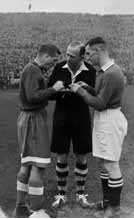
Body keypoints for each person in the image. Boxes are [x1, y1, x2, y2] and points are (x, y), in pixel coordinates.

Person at [70, 37, 128, 218]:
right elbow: (101, 94)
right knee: (104, 163)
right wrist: (87, 87)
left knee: (111, 164)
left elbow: (101, 103)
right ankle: (107, 202)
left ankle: (114, 208)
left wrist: (80, 92)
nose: (86, 58)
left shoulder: (112, 73)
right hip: (104, 119)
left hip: (110, 118)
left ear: (98, 51)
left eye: (88, 53)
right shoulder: (103, 71)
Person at [15, 44, 64, 218]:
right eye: (53, 59)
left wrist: (54, 91)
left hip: (28, 119)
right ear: (44, 55)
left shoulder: (33, 69)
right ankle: (36, 212)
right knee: (37, 166)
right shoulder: (33, 70)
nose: (54, 63)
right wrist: (54, 89)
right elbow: (32, 96)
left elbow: (34, 94)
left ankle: (21, 208)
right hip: (33, 120)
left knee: (26, 165)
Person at [48, 41, 96, 208]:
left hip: (81, 119)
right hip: (61, 119)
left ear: (81, 57)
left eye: (72, 56)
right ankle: (61, 195)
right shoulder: (59, 67)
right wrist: (58, 90)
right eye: (67, 54)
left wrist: (86, 88)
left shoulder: (90, 70)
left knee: (81, 156)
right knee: (61, 156)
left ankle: (81, 194)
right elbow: (49, 93)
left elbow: (97, 94)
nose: (67, 58)